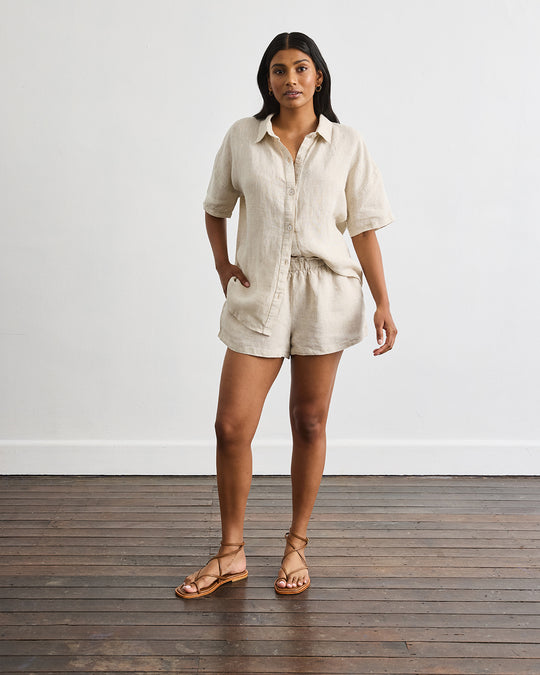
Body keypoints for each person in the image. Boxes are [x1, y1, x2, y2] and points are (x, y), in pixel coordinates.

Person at [175, 31, 397, 598]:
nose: (290, 79)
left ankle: (297, 544)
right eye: (279, 70)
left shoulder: (347, 143)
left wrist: (383, 301)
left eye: (301, 68)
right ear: (267, 80)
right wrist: (223, 265)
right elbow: (215, 208)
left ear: (319, 77)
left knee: (310, 421)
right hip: (259, 294)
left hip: (326, 293)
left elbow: (364, 228)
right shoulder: (242, 138)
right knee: (231, 426)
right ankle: (231, 551)